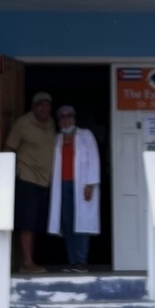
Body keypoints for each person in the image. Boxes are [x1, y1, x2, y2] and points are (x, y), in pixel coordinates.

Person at [5, 90, 56, 274]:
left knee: (35, 224)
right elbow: (9, 148)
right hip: (27, 179)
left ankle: (29, 262)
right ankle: (27, 263)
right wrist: (9, 175)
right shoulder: (23, 124)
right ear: (33, 107)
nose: (44, 108)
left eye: (48, 105)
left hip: (45, 182)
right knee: (27, 223)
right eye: (41, 105)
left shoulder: (51, 123)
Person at [47, 104, 100, 273]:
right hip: (61, 186)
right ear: (58, 120)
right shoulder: (56, 139)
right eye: (62, 117)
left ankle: (81, 262)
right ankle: (72, 261)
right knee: (67, 224)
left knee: (82, 223)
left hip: (81, 185)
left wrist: (91, 184)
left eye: (69, 115)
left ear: (75, 118)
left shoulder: (86, 135)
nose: (66, 119)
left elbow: (94, 159)